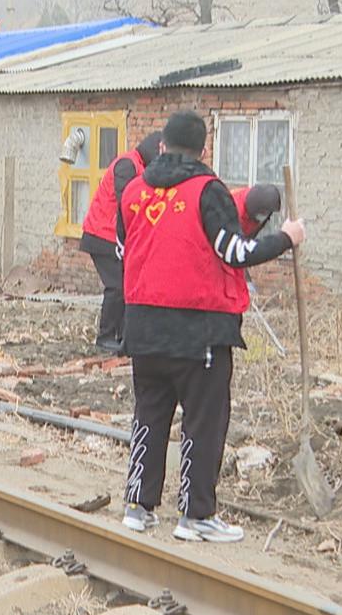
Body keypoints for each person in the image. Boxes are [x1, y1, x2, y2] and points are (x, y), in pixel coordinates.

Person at [116, 112, 303, 541]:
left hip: (143, 328)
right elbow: (235, 252)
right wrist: (286, 238)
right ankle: (196, 515)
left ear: (161, 146)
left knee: (149, 415)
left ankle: (138, 506)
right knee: (203, 423)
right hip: (198, 332)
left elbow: (124, 249)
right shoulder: (207, 190)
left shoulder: (133, 191)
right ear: (204, 150)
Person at [80, 132, 164, 354]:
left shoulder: (139, 167)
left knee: (128, 286)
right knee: (117, 287)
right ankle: (105, 337)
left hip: (114, 237)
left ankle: (123, 336)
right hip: (102, 235)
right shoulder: (127, 165)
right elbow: (126, 203)